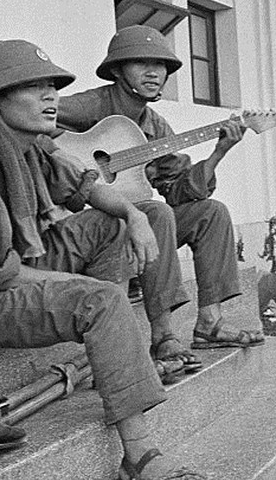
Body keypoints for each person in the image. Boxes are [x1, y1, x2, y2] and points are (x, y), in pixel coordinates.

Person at [0, 39, 212, 480]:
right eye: (32, 87)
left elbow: (87, 186)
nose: (51, 97)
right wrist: (92, 292)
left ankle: (114, 361)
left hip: (13, 265)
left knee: (125, 219)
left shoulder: (31, 145)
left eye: (51, 86)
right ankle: (139, 457)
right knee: (100, 299)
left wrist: (135, 216)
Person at [57, 26, 262, 362]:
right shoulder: (91, 105)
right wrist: (76, 170)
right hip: (85, 226)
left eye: (162, 65)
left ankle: (209, 323)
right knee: (157, 213)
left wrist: (219, 152)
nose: (154, 72)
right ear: (118, 70)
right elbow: (35, 125)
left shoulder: (156, 126)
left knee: (212, 212)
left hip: (137, 228)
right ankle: (163, 334)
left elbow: (180, 191)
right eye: (141, 63)